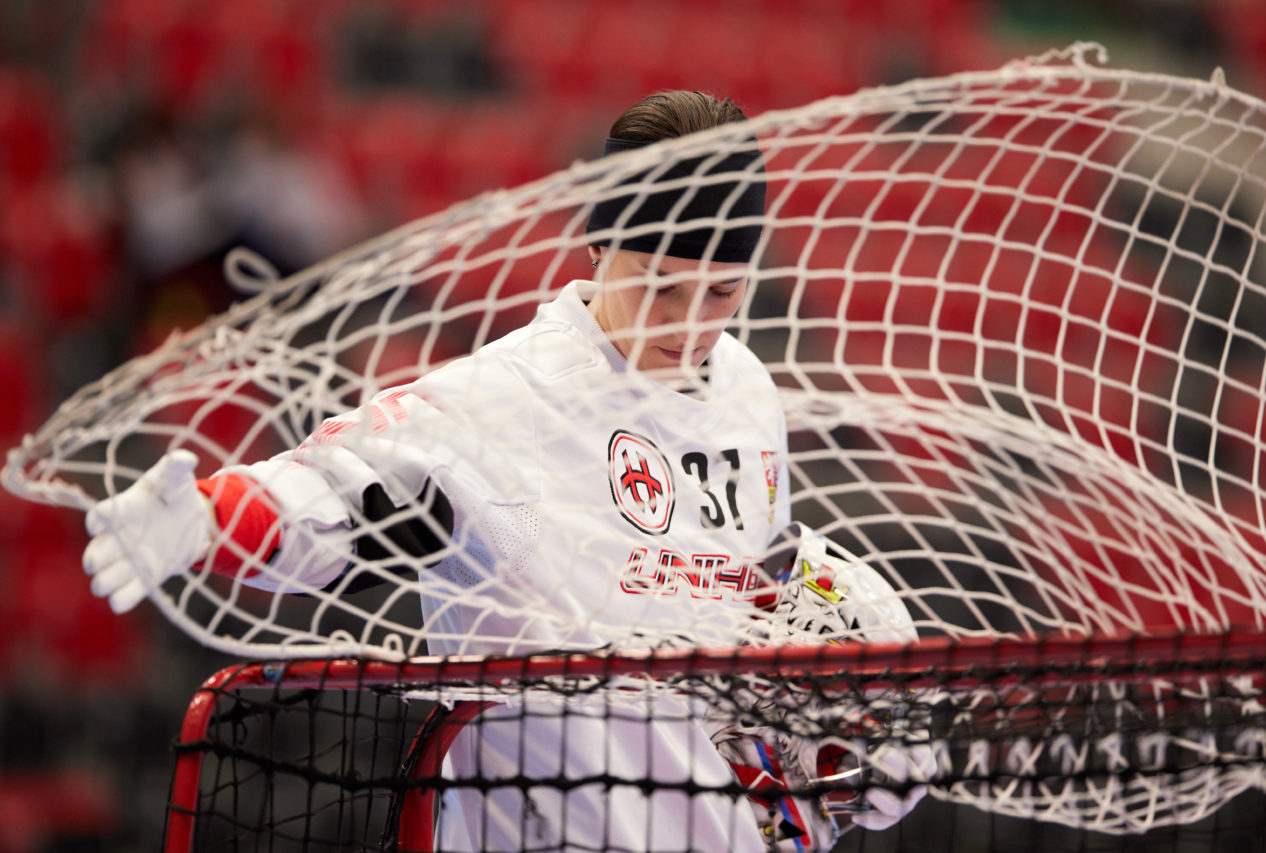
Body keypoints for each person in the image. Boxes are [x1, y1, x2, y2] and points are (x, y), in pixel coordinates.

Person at [82, 91, 930, 852]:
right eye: (661, 287)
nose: (688, 326)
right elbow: (339, 492)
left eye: (721, 293)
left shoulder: (747, 389)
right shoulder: (502, 400)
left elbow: (749, 610)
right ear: (601, 243)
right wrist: (207, 519)